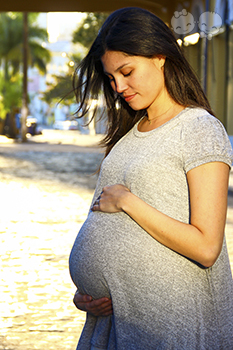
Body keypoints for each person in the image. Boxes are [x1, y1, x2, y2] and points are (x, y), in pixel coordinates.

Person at [69, 7, 233, 350]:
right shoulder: (127, 137)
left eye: (127, 72)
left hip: (172, 329)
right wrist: (87, 293)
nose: (119, 87)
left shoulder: (199, 130)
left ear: (160, 56)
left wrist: (128, 202)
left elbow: (206, 246)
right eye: (112, 78)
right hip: (117, 323)